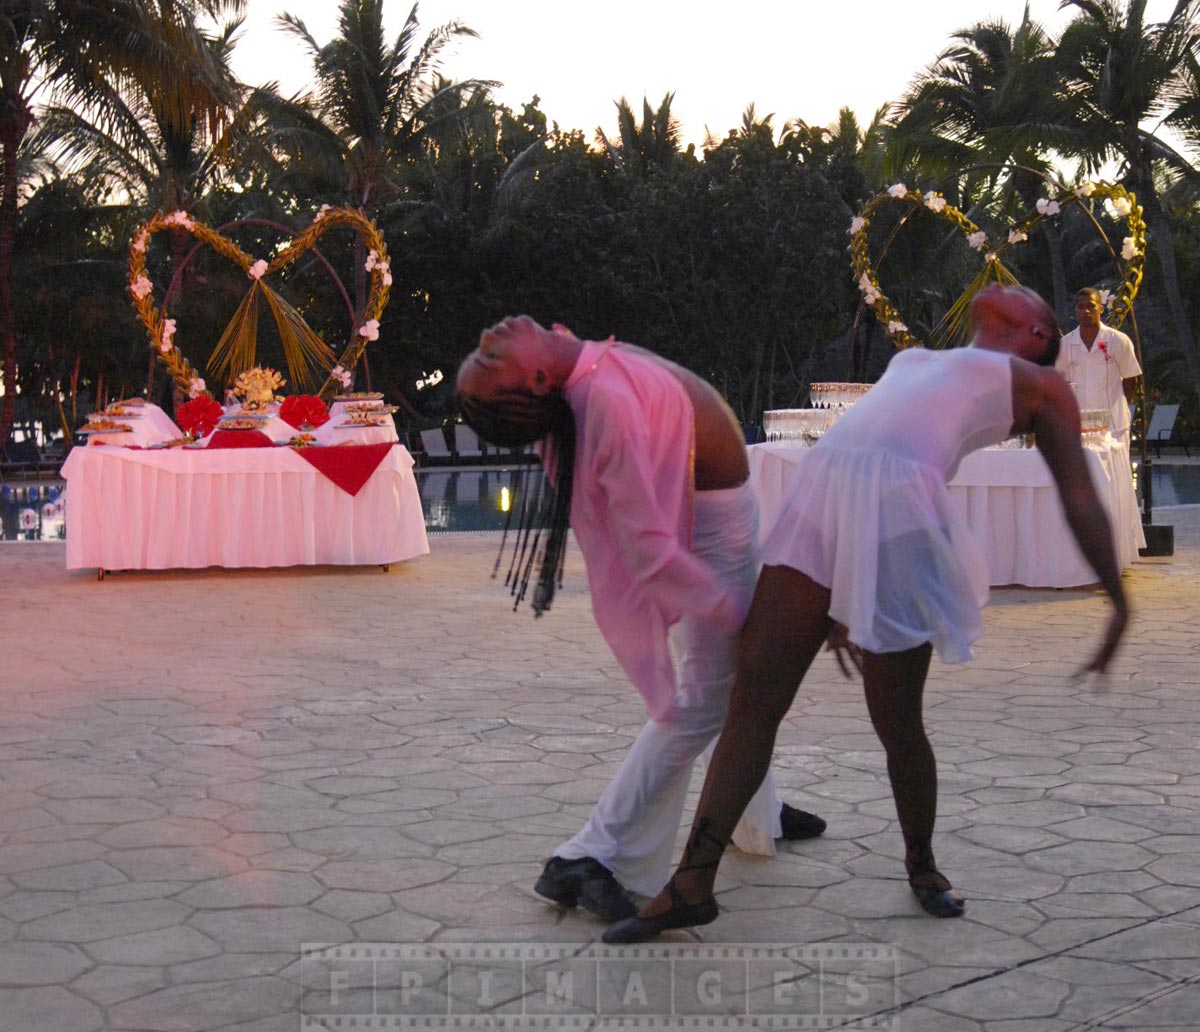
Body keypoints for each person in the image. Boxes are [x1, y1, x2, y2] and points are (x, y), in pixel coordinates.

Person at [604, 285, 1130, 943]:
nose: (1003, 285)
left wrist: (1118, 601)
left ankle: (922, 864)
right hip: (822, 497)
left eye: (1021, 294)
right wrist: (845, 586)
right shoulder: (919, 359)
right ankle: (692, 882)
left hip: (898, 518)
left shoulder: (1041, 385)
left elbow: (1079, 495)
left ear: (1036, 331)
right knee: (753, 698)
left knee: (897, 721)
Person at [456, 316, 827, 924]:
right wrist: (724, 605)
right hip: (710, 535)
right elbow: (647, 546)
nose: (490, 335)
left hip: (718, 518)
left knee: (732, 684)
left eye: (484, 349)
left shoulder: (579, 372)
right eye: (491, 357)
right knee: (706, 700)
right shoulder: (605, 402)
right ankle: (588, 855)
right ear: (540, 378)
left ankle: (754, 811)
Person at [1055, 288, 1141, 446]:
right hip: (1078, 427)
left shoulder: (1118, 340)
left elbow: (1131, 379)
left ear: (1100, 309)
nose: (1086, 311)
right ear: (1076, 311)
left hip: (1114, 427)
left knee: (1114, 463)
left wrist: (1119, 407)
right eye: (1081, 307)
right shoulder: (1065, 344)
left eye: (1091, 306)